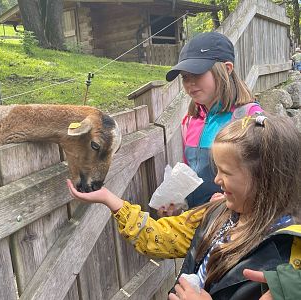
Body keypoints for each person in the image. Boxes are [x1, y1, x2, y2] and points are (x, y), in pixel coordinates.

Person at [67, 113, 301, 300]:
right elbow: (159, 236)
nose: (217, 180)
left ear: (265, 179)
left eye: (226, 173)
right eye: (217, 170)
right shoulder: (215, 213)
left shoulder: (291, 254)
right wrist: (111, 199)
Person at [158, 32, 263, 216]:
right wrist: (178, 201)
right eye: (185, 77)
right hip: (197, 224)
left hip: (235, 226)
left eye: (197, 73)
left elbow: (268, 180)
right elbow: (190, 174)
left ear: (227, 68)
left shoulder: (249, 117)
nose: (190, 84)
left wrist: (231, 199)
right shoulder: (190, 120)